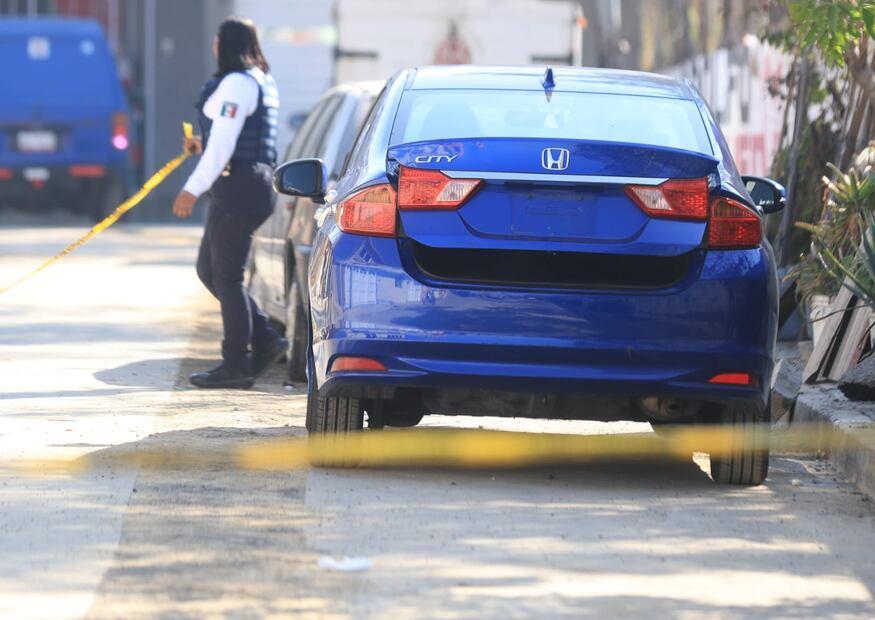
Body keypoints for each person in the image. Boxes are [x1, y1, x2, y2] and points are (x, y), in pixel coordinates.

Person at [173, 16, 286, 389]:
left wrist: (191, 187)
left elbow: (225, 143)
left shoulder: (239, 82)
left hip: (240, 187)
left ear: (226, 44)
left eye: (217, 41)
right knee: (210, 270)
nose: (213, 47)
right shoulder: (259, 81)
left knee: (226, 275)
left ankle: (236, 363)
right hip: (246, 183)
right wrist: (201, 146)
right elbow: (230, 138)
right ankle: (267, 340)